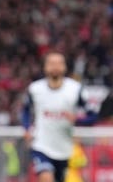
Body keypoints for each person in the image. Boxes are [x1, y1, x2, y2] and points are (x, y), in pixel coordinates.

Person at [22, 52, 97, 182]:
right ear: (45, 67)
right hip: (41, 145)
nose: (55, 67)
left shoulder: (76, 89)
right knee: (46, 177)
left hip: (65, 149)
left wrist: (78, 119)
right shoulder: (35, 89)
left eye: (59, 63)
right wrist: (27, 128)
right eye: (51, 63)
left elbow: (93, 115)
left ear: (65, 67)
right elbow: (25, 111)